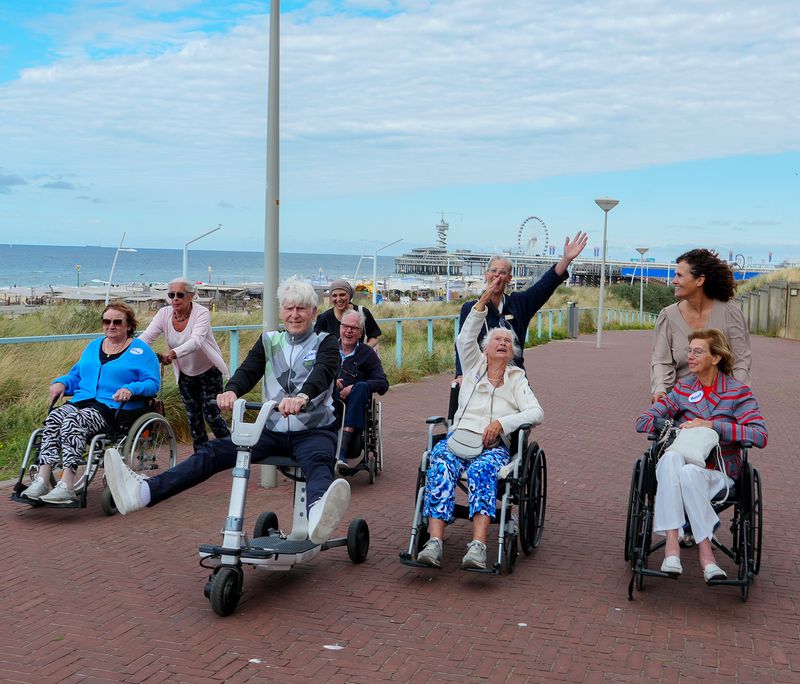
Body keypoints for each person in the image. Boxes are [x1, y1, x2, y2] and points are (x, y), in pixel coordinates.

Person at [103, 277, 351, 545]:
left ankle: (317, 516)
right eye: (289, 308)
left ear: (313, 312)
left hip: (313, 431)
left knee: (319, 461)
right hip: (272, 430)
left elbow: (323, 372)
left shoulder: (325, 342)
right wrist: (232, 390)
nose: (294, 314)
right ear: (281, 311)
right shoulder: (269, 341)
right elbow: (249, 370)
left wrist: (302, 397)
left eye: (301, 309)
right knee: (212, 452)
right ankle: (144, 492)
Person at [416, 279, 544, 570]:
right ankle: (434, 542)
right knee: (439, 464)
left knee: (482, 470)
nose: (502, 343)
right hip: (459, 439)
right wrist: (484, 300)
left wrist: (502, 422)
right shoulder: (473, 367)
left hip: (492, 447)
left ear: (513, 353)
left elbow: (537, 413)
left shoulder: (516, 379)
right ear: (485, 349)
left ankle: (478, 546)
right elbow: (464, 338)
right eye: (497, 340)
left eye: (508, 342)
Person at [636, 328, 767, 582]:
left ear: (716, 357)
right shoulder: (684, 390)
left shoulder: (737, 392)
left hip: (719, 473)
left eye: (698, 351)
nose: (690, 357)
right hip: (680, 468)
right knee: (673, 460)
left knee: (687, 472)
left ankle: (703, 551)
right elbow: (643, 421)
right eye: (690, 351)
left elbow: (759, 435)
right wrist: (673, 426)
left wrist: (713, 426)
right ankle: (674, 546)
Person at [20, 302, 160, 504]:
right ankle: (42, 479)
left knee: (73, 422)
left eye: (117, 322)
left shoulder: (141, 351)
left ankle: (67, 484)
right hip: (83, 400)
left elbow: (152, 383)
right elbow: (76, 375)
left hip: (113, 406)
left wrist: (131, 389)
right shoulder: (94, 346)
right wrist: (61, 383)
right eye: (106, 321)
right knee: (53, 418)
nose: (111, 325)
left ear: (129, 325)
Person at [454, 231, 588, 378]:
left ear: (509, 278)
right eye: (493, 271)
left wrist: (566, 259)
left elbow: (545, 285)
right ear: (486, 275)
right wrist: (460, 375)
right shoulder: (471, 309)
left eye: (503, 272)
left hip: (513, 378)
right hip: (481, 378)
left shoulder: (519, 304)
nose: (497, 275)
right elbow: (463, 342)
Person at [139, 278, 231, 450]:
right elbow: (146, 338)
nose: (175, 299)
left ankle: (232, 451)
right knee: (193, 419)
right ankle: (202, 457)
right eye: (171, 295)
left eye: (180, 295)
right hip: (185, 374)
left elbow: (196, 341)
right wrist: (131, 350)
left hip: (209, 371)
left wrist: (173, 353)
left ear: (191, 296)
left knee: (212, 416)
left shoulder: (201, 313)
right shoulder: (164, 314)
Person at [651, 249, 751, 403]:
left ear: (699, 280)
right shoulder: (668, 316)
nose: (674, 281)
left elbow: (741, 360)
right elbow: (661, 361)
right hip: (681, 403)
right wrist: (660, 389)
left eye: (679, 275)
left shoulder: (730, 313)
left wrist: (737, 397)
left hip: (723, 402)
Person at [334, 309, 389, 474]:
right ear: (340, 328)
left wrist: (354, 387)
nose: (348, 331)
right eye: (345, 326)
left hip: (355, 403)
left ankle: (342, 451)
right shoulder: (327, 349)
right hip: (330, 401)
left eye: (354, 328)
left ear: (360, 333)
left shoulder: (367, 353)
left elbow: (383, 383)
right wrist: (331, 382)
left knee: (361, 387)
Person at [314, 279, 381, 347]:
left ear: (349, 295)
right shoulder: (324, 318)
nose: (338, 299)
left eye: (342, 295)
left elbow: (373, 338)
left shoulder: (362, 312)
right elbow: (317, 342)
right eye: (334, 296)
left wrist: (363, 352)